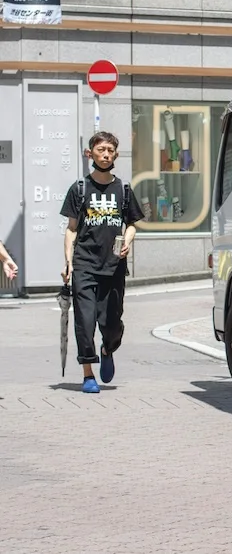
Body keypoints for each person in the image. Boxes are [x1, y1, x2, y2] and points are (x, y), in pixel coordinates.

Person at [60, 132, 144, 393]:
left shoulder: (124, 189)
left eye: (110, 150)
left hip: (114, 266)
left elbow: (132, 225)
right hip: (84, 264)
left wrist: (128, 240)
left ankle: (108, 348)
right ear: (90, 154)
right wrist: (68, 262)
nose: (106, 154)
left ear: (115, 155)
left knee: (111, 322)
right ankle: (88, 374)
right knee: (85, 322)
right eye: (101, 150)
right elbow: (71, 229)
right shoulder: (79, 189)